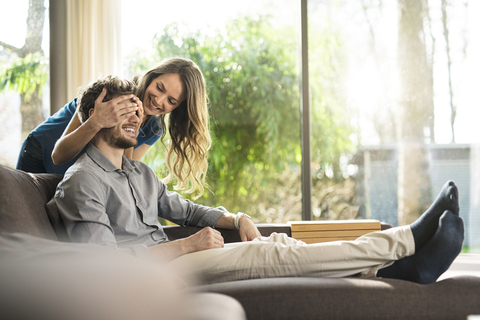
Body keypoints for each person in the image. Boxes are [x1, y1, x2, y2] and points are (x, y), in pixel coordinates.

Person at [55, 76, 465, 285]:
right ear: (96, 112)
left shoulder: (140, 174)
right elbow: (104, 267)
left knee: (276, 244)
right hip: (160, 274)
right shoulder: (82, 181)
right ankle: (406, 240)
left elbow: (190, 209)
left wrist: (235, 219)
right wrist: (188, 243)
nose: (136, 115)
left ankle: (392, 273)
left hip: (180, 259)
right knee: (269, 255)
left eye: (137, 109)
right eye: (121, 108)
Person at [17, 57, 210, 196]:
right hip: (40, 152)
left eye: (172, 101)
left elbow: (123, 170)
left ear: (179, 108)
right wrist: (97, 120)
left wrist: (131, 127)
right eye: (159, 88)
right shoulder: (111, 92)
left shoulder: (154, 128)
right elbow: (59, 156)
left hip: (73, 175)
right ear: (151, 77)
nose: (158, 101)